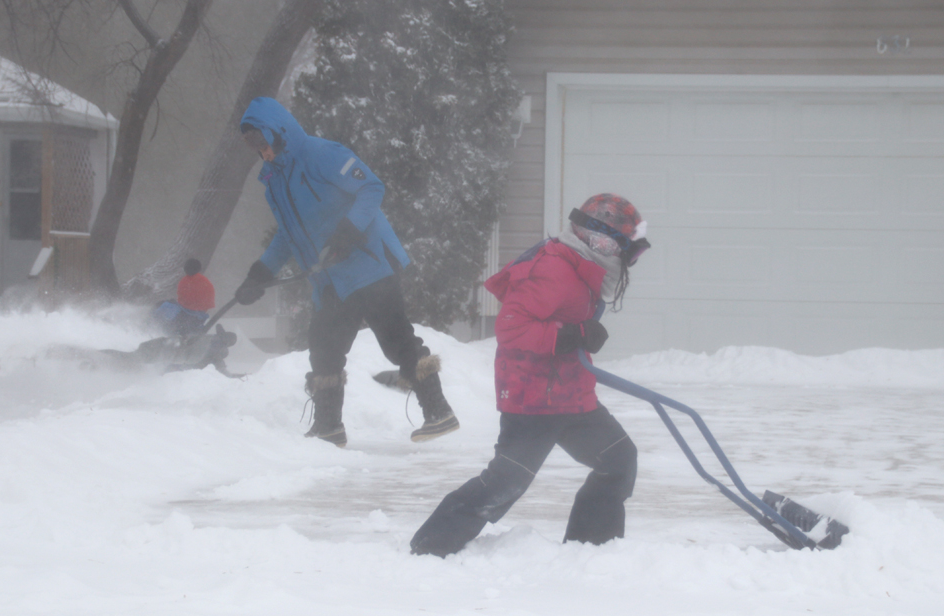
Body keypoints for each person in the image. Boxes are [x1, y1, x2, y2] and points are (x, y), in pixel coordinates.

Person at [410, 193, 651, 557]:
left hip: (571, 397)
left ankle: (590, 549)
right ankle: (429, 548)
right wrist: (571, 335)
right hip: (533, 399)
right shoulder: (554, 267)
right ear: (599, 239)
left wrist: (577, 333)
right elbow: (511, 328)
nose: (623, 257)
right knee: (504, 483)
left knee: (618, 460)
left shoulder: (582, 265)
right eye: (621, 246)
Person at [235, 97, 458, 448]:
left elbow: (371, 187)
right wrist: (261, 273)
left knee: (397, 341)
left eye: (263, 142)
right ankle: (328, 429)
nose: (262, 153)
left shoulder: (322, 154)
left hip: (369, 263)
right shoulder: (274, 181)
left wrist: (350, 230)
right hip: (329, 279)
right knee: (323, 348)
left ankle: (439, 411)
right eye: (254, 147)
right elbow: (286, 234)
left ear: (277, 131)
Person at [152, 258, 216, 336]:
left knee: (162, 306)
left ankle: (151, 324)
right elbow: (207, 304)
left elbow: (182, 299)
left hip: (186, 312)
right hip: (199, 315)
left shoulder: (185, 281)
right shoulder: (206, 282)